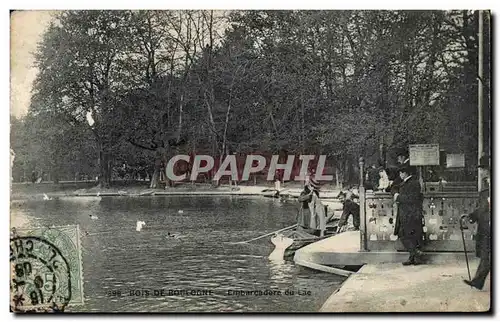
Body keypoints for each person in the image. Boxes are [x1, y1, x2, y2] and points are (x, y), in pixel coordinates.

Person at [463, 157, 490, 290]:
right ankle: (478, 281)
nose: (481, 171)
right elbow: (482, 209)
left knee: (488, 256)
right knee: (487, 256)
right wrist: (471, 216)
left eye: (483, 169)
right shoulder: (485, 190)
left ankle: (478, 281)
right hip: (487, 228)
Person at [393, 165, 424, 265]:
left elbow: (412, 199)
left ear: (405, 173)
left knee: (404, 235)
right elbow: (394, 188)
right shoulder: (406, 182)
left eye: (401, 173)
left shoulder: (413, 183)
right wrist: (396, 194)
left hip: (411, 214)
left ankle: (415, 253)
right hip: (408, 214)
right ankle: (413, 257)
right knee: (409, 236)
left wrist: (398, 198)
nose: (400, 175)